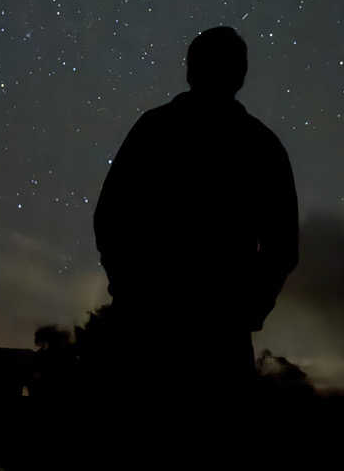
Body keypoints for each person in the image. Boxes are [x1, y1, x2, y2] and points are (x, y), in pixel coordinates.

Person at [92, 26, 299, 423]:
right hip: (217, 337)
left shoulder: (154, 130)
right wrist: (248, 308)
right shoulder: (261, 145)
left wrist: (129, 290)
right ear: (241, 74)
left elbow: (110, 217)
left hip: (151, 330)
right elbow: (282, 246)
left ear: (190, 71)